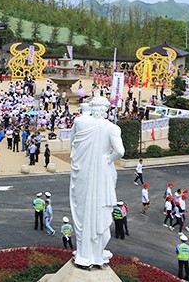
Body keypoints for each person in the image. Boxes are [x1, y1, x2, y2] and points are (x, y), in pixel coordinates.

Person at [69, 97, 125, 267]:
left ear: (92, 108)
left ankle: (85, 252)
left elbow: (73, 145)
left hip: (83, 171)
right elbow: (120, 151)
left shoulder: (80, 123)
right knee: (99, 208)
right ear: (106, 110)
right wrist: (108, 159)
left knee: (83, 209)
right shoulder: (112, 128)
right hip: (101, 171)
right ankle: (94, 253)